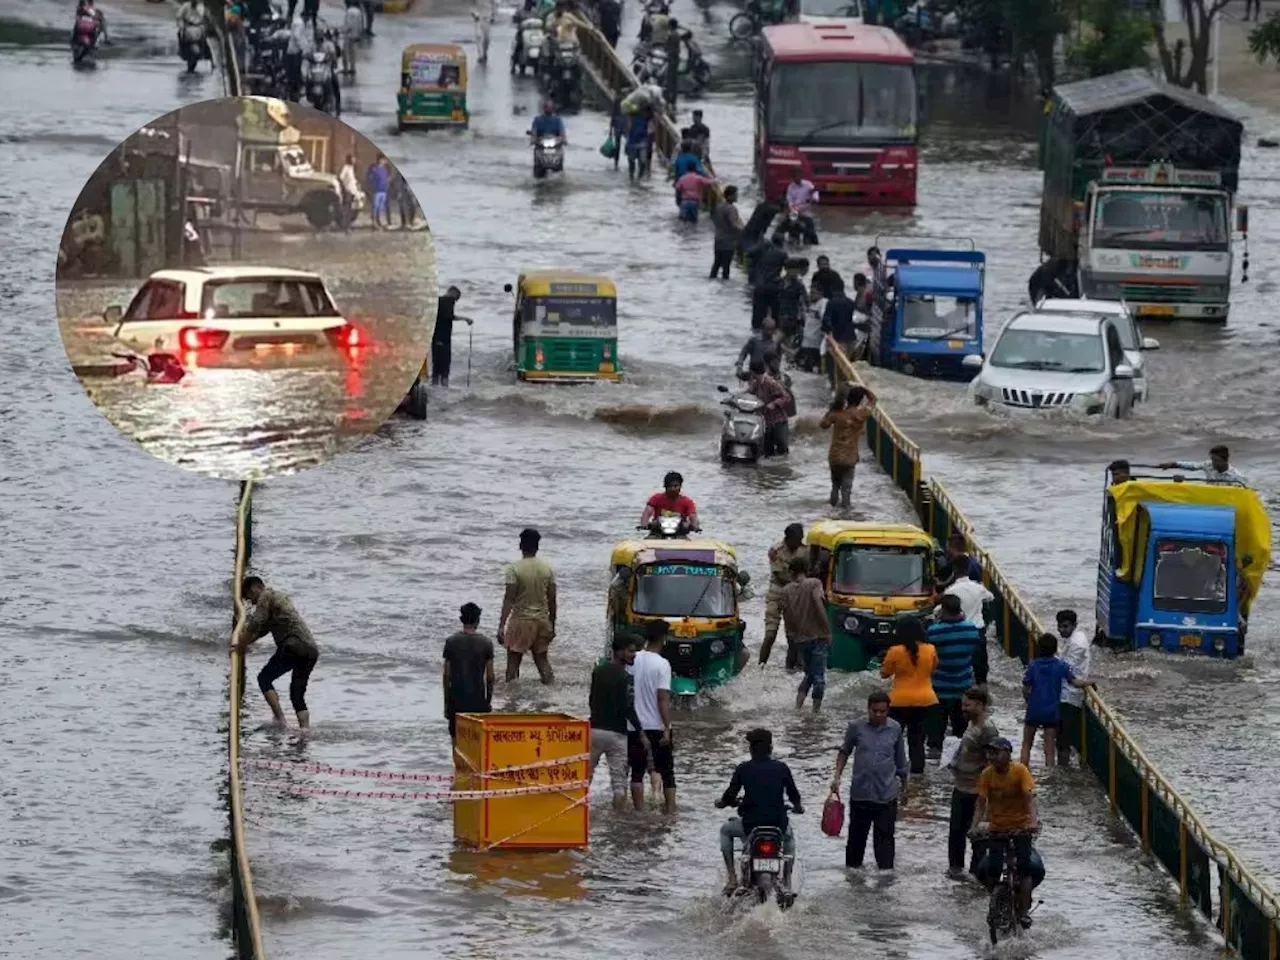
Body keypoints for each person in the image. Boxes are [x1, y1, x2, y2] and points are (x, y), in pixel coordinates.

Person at [970, 737, 1046, 926]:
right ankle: (995, 901)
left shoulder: (1019, 771)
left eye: (996, 752)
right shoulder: (987, 774)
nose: (992, 756)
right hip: (997, 828)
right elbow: (981, 803)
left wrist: (1033, 822)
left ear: (1008, 754)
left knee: (1025, 867)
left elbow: (1029, 799)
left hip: (1021, 827)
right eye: (990, 753)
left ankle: (1023, 912)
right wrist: (974, 826)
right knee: (991, 868)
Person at [716, 728, 803, 894]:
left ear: (751, 749)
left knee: (725, 831)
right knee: (790, 840)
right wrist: (798, 808)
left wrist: (722, 803)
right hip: (778, 825)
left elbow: (729, 796)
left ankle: (732, 878)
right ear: (770, 748)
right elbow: (794, 795)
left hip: (751, 825)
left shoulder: (743, 769)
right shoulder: (782, 768)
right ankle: (787, 880)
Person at [830, 691, 908, 870]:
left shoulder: (895, 728)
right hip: (861, 794)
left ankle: (885, 884)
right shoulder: (856, 727)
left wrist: (905, 788)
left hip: (886, 795)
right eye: (875, 711)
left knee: (885, 843)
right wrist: (837, 778)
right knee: (856, 843)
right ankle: (853, 882)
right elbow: (844, 752)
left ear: (888, 710)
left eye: (882, 711)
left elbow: (901, 761)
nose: (878, 715)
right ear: (868, 709)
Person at [233, 577, 321, 730]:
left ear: (254, 589)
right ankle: (305, 732)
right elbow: (262, 630)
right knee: (297, 693)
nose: (252, 603)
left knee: (264, 678)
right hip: (311, 649)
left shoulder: (265, 597)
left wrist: (240, 645)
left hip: (293, 645)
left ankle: (280, 719)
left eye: (249, 598)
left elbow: (255, 625)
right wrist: (245, 643)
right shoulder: (278, 598)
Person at [590, 634, 650, 810]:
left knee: (585, 777)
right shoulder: (626, 677)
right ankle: (618, 823)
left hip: (594, 731)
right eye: (630, 651)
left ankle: (580, 816)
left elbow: (591, 700)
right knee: (619, 784)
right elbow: (628, 708)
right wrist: (641, 732)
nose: (634, 655)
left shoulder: (598, 671)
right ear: (619, 652)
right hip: (617, 734)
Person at [1021, 632, 1095, 768]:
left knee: (1027, 744)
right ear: (1055, 649)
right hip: (1051, 711)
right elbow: (1075, 683)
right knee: (1049, 750)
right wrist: (1089, 682)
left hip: (1034, 709)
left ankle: (1022, 771)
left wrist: (1029, 701)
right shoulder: (1061, 665)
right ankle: (1050, 775)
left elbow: (1025, 688)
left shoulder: (1032, 666)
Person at [947, 687, 998, 878]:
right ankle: (956, 873)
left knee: (977, 835)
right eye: (963, 704)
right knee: (956, 834)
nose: (963, 709)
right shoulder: (971, 725)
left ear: (981, 705)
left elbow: (994, 762)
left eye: (967, 705)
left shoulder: (988, 730)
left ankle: (977, 876)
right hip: (961, 787)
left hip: (977, 791)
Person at [879, 616, 938, 775]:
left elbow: (884, 674)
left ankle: (892, 772)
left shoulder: (895, 651)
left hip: (898, 702)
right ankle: (918, 778)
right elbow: (932, 671)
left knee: (892, 739)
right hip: (927, 701)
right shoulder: (931, 649)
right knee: (918, 741)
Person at [498, 528, 558, 684]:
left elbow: (509, 599)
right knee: (542, 661)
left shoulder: (514, 569)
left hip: (520, 621)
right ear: (537, 547)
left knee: (513, 663)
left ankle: (512, 700)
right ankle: (552, 694)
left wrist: (501, 625)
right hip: (542, 621)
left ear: (520, 545)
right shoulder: (547, 569)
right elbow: (552, 599)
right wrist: (552, 624)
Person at [926, 594, 984, 750]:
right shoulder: (971, 630)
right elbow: (976, 656)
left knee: (935, 737)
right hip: (963, 690)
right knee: (961, 736)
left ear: (943, 610)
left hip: (938, 690)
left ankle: (934, 765)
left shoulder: (934, 632)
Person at [630, 621, 676, 813]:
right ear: (664, 639)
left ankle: (639, 812)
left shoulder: (632, 659)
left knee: (637, 773)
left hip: (632, 725)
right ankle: (671, 810)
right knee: (667, 772)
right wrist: (668, 727)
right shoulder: (663, 664)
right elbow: (662, 699)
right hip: (655, 725)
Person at [776, 556, 831, 711]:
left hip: (800, 638)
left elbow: (786, 616)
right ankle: (815, 712)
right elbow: (819, 605)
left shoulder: (786, 590)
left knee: (810, 674)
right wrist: (827, 630)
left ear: (791, 572)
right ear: (806, 570)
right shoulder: (814, 583)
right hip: (818, 636)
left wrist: (791, 636)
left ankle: (798, 707)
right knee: (818, 677)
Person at [443, 602, 495, 741]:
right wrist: (487, 702)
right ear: (478, 621)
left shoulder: (451, 642)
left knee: (456, 740)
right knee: (476, 741)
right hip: (478, 703)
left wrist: (446, 704)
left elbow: (446, 676)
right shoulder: (486, 643)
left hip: (457, 702)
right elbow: (490, 677)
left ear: (462, 620)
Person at [820, 384, 876, 509]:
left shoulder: (837, 414)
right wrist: (864, 389)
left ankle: (831, 511)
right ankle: (845, 514)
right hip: (850, 457)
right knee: (846, 489)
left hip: (834, 456)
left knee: (835, 486)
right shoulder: (862, 414)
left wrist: (831, 409)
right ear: (860, 400)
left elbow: (823, 425)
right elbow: (873, 399)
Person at [760, 523, 806, 673]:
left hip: (795, 596)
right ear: (788, 538)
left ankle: (790, 668)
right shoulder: (776, 551)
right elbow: (780, 575)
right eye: (797, 539)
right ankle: (761, 665)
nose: (799, 542)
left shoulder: (804, 550)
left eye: (801, 539)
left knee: (793, 635)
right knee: (770, 634)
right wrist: (800, 582)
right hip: (777, 594)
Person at [1054, 610, 1091, 768]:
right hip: (1066, 693)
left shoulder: (1077, 644)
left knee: (1063, 740)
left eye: (1065, 626)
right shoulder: (1075, 637)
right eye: (1059, 626)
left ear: (1074, 625)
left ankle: (1063, 770)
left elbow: (1066, 668)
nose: (1061, 630)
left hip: (1070, 696)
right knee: (1063, 738)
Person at [747, 359, 791, 457]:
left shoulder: (771, 383)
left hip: (778, 420)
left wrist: (774, 403)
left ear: (754, 373)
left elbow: (787, 397)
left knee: (782, 447)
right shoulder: (756, 384)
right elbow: (747, 394)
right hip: (764, 421)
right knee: (767, 451)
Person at [821, 287, 864, 386]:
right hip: (852, 339)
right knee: (848, 365)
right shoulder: (850, 302)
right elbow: (854, 319)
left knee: (838, 366)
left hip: (838, 339)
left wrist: (827, 332)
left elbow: (826, 321)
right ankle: (850, 385)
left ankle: (837, 387)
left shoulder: (831, 303)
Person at [431, 286, 471, 387]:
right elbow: (449, 316)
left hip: (435, 338)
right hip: (444, 339)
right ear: (453, 293)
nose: (455, 301)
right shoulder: (448, 300)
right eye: (456, 298)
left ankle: (434, 389)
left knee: (436, 367)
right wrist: (465, 319)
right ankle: (445, 391)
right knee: (445, 369)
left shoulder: (437, 301)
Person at [1159, 444, 1247, 486]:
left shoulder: (1236, 477)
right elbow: (1192, 466)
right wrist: (1172, 464)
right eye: (1212, 459)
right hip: (1208, 496)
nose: (1213, 463)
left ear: (1225, 459)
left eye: (1216, 460)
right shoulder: (1208, 465)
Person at [751, 236, 788, 329]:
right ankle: (774, 333)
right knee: (776, 314)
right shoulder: (782, 253)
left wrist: (760, 244)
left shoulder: (762, 250)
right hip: (775, 286)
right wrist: (782, 280)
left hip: (760, 286)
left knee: (758, 316)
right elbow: (789, 267)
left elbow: (749, 253)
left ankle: (756, 334)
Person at [710, 185, 744, 280]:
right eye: (735, 195)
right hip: (728, 242)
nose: (737, 197)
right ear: (729, 196)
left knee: (716, 264)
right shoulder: (731, 209)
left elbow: (714, 220)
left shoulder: (718, 207)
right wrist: (743, 230)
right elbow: (734, 225)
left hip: (718, 239)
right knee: (726, 267)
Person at [779, 170, 819, 244]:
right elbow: (789, 201)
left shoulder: (808, 185)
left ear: (801, 176)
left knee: (809, 240)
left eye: (798, 176)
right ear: (792, 178)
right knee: (793, 238)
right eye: (795, 177)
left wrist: (813, 199)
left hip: (806, 214)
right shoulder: (790, 187)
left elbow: (815, 196)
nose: (797, 178)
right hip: (794, 214)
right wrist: (792, 209)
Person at [775, 260, 808, 340]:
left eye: (797, 271)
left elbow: (805, 301)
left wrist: (803, 316)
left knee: (789, 340)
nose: (796, 273)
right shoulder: (778, 282)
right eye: (793, 270)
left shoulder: (799, 286)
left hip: (792, 318)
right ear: (786, 270)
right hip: (777, 315)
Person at [365, 155, 390, 229]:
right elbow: (369, 178)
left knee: (380, 207)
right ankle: (374, 222)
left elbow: (386, 178)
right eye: (383, 160)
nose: (384, 161)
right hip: (376, 191)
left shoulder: (384, 169)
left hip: (383, 191)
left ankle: (379, 221)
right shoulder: (374, 169)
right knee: (375, 207)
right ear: (379, 160)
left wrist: (387, 185)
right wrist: (370, 188)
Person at [337, 154, 361, 230]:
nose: (354, 160)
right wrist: (344, 188)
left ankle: (348, 225)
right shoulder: (346, 168)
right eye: (352, 159)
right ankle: (344, 226)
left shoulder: (351, 168)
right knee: (347, 209)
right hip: (348, 191)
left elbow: (352, 179)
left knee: (351, 209)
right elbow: (341, 177)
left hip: (353, 190)